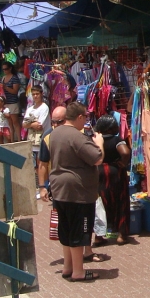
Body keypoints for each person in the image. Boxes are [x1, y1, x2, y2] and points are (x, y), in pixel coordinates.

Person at [49, 102, 104, 282]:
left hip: (59, 189)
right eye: (85, 117)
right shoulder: (76, 136)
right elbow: (97, 158)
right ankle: (78, 271)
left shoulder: (54, 133)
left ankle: (68, 267)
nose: (85, 121)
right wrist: (99, 144)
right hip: (77, 192)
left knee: (65, 229)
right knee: (80, 231)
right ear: (79, 117)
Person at [93, 115, 132, 245]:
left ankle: (99, 236)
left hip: (99, 172)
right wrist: (123, 162)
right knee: (121, 201)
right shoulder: (116, 140)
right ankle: (121, 235)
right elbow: (125, 152)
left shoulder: (95, 140)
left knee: (100, 204)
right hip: (115, 172)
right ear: (110, 128)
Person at [37, 106, 67, 201]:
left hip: (77, 185)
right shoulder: (47, 136)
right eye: (53, 122)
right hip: (56, 185)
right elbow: (42, 164)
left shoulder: (79, 133)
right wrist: (42, 187)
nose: (56, 125)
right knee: (58, 214)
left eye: (59, 122)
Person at [23, 85, 51, 169]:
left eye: (37, 94)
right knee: (34, 167)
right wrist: (32, 124)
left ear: (41, 94)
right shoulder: (30, 109)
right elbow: (24, 124)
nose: (35, 96)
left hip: (42, 142)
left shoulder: (44, 108)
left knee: (42, 166)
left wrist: (29, 124)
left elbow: (39, 125)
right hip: (32, 142)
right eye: (33, 94)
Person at [0, 62, 22, 142]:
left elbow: (15, 91)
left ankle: (19, 139)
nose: (4, 71)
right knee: (9, 123)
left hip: (13, 102)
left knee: (15, 122)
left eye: (6, 69)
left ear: (10, 68)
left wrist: (5, 87)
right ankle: (12, 140)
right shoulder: (3, 78)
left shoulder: (14, 78)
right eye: (3, 69)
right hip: (6, 103)